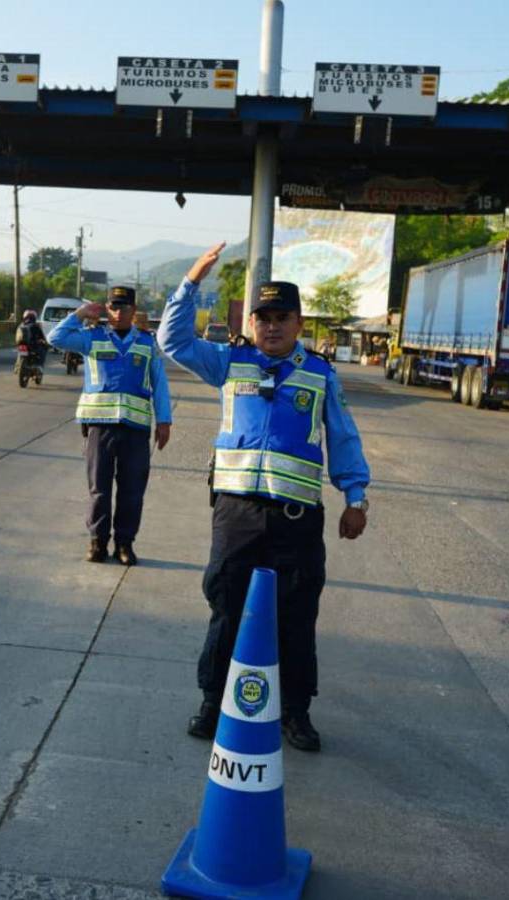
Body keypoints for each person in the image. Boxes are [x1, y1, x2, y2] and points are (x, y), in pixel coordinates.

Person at [158, 244, 370, 753]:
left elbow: (343, 437)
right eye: (263, 317)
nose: (271, 326)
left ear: (298, 324)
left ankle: (295, 712)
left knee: (296, 616)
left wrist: (355, 497)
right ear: (251, 323)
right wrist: (192, 278)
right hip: (237, 515)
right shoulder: (229, 362)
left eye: (282, 318)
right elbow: (171, 340)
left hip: (296, 520)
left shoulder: (321, 375)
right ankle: (213, 701)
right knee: (226, 607)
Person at [48, 285, 173, 566]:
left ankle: (124, 544)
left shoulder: (146, 342)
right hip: (100, 427)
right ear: (107, 309)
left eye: (124, 308)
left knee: (132, 490)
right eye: (113, 307)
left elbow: (160, 384)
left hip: (136, 428)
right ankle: (98, 542)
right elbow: (55, 337)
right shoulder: (91, 338)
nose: (118, 313)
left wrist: (164, 420)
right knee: (99, 489)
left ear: (133, 311)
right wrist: (80, 314)